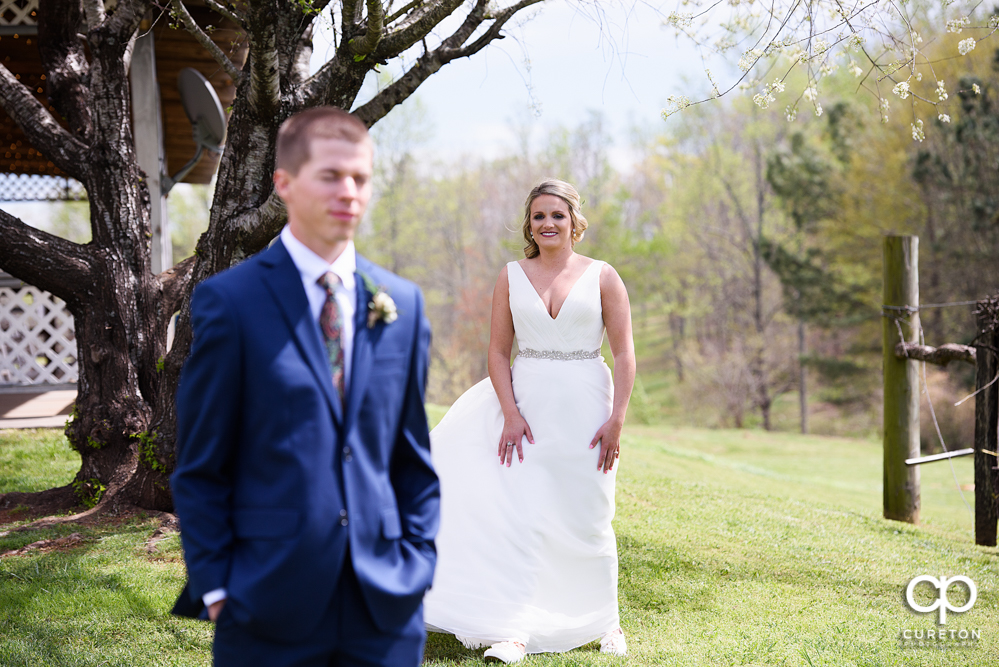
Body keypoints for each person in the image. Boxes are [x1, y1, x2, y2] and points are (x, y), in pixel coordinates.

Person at [171, 107, 439, 667]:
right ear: (285, 184)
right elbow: (201, 468)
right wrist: (219, 589)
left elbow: (412, 461)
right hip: (265, 604)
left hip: (384, 610)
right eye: (331, 176)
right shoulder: (231, 302)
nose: (349, 192)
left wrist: (418, 565)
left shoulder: (403, 307)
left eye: (361, 178)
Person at [423, 179, 635, 663]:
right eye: (539, 216)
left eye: (557, 215)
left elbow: (624, 353)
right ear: (529, 224)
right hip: (526, 410)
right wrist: (512, 413)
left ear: (575, 222)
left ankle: (606, 622)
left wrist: (617, 420)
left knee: (589, 514)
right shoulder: (511, 276)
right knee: (524, 516)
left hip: (587, 408)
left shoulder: (603, 276)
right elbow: (498, 352)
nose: (548, 224)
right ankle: (517, 629)